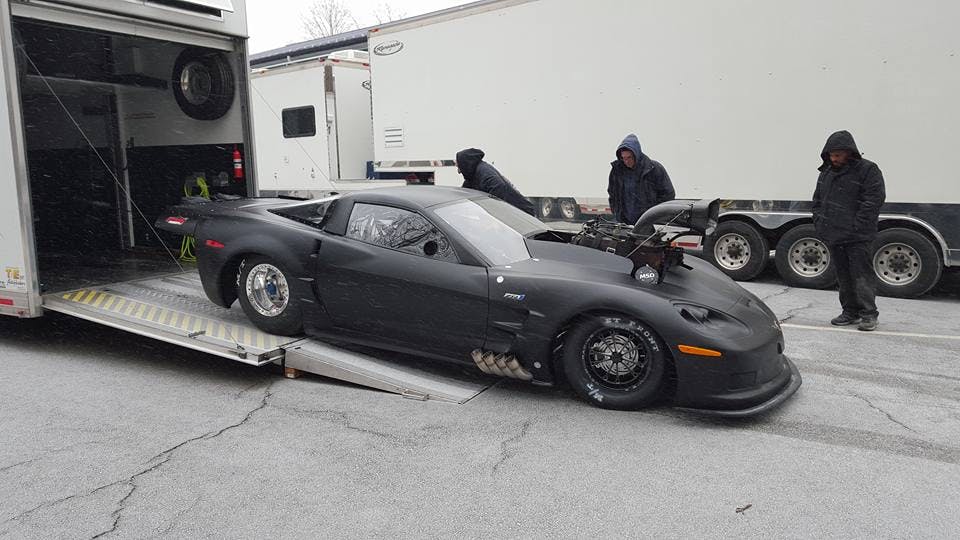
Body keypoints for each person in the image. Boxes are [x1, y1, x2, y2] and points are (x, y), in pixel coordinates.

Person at [811, 130, 886, 331]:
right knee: (843, 276)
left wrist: (857, 225)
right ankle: (850, 312)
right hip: (835, 235)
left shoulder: (868, 170)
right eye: (831, 155)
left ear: (848, 152)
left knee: (862, 275)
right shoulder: (826, 173)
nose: (833, 159)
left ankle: (869, 314)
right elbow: (817, 201)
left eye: (837, 155)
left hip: (858, 236)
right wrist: (820, 222)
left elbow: (874, 199)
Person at [607, 134, 675, 225]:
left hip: (649, 223)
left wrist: (655, 215)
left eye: (629, 157)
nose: (626, 161)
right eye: (623, 158)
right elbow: (612, 194)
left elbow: (668, 195)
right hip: (624, 223)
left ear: (636, 154)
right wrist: (617, 213)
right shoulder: (617, 171)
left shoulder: (654, 169)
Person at [455, 148, 536, 216]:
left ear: (465, 164)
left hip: (521, 214)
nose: (459, 171)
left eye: (459, 167)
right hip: (515, 213)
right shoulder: (473, 173)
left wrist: (492, 213)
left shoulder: (484, 172)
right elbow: (465, 192)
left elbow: (499, 187)